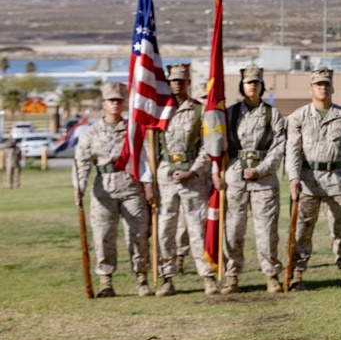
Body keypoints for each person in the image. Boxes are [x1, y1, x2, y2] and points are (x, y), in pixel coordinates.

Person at [286, 68, 341, 291]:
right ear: (310, 89)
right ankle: (296, 275)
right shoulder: (299, 117)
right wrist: (293, 178)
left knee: (340, 229)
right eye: (318, 85)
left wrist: (336, 160)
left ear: (332, 88)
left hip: (336, 181)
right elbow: (292, 151)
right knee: (302, 231)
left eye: (326, 84)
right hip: (307, 181)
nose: (322, 88)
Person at [72, 82, 153, 298]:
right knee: (103, 235)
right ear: (104, 104)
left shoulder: (133, 130)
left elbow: (146, 158)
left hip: (131, 187)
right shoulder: (91, 133)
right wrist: (79, 186)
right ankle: (105, 281)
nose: (115, 104)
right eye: (111, 100)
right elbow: (81, 162)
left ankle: (142, 279)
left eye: (119, 100)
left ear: (124, 103)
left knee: (138, 235)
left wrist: (148, 185)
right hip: (103, 190)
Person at [221, 66, 287, 294]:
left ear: (262, 86)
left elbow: (278, 147)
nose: (252, 86)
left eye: (256, 82)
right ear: (242, 86)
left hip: (263, 180)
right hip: (235, 178)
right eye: (249, 82)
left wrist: (261, 169)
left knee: (266, 231)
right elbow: (219, 144)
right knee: (232, 230)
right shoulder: (230, 113)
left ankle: (271, 275)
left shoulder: (272, 114)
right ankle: (232, 276)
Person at [154, 64, 217, 296]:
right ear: (168, 83)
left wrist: (194, 171)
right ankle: (167, 278)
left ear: (188, 82)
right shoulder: (159, 111)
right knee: (165, 230)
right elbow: (151, 147)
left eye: (181, 80)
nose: (177, 84)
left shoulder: (199, 110)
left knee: (197, 229)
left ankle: (208, 277)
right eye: (173, 81)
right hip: (166, 177)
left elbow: (208, 145)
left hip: (192, 177)